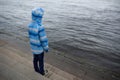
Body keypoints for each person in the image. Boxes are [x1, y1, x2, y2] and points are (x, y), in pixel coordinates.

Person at [28, 7, 49, 75]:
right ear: (40, 17)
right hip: (39, 49)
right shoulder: (40, 27)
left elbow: (30, 36)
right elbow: (43, 39)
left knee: (35, 59)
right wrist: (46, 48)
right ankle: (42, 72)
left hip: (33, 48)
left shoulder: (29, 25)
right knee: (41, 61)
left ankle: (36, 69)